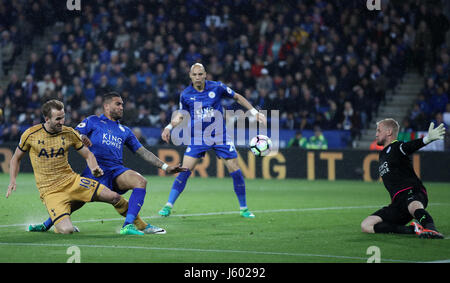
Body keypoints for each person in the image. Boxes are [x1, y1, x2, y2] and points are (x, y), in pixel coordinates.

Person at [30, 92, 187, 235]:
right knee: (74, 202)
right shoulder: (93, 121)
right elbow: (73, 134)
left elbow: (142, 151)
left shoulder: (125, 130)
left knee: (140, 181)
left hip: (117, 171)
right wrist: (80, 137)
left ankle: (128, 225)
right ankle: (46, 224)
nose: (121, 107)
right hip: (95, 171)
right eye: (118, 104)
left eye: (122, 105)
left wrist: (166, 167)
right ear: (106, 106)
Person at [159, 63, 266, 218]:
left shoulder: (217, 87)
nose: (197, 77)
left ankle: (244, 208)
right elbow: (181, 115)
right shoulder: (186, 94)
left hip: (219, 135)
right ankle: (168, 205)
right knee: (184, 171)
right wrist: (169, 127)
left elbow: (237, 97)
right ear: (190, 76)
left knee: (235, 170)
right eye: (194, 74)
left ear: (205, 75)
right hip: (198, 137)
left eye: (200, 74)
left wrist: (254, 112)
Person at [5, 100, 124, 234]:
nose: (62, 121)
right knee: (67, 230)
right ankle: (57, 222)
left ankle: (136, 224)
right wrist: (12, 180)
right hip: (50, 191)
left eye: (63, 117)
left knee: (115, 197)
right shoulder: (31, 134)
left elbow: (88, 155)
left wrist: (94, 168)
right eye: (58, 119)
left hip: (72, 181)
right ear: (47, 119)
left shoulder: (69, 133)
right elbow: (15, 158)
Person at [361, 118, 445, 239]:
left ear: (389, 132)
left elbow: (409, 147)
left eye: (379, 130)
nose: (376, 134)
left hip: (412, 191)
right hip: (397, 202)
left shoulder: (397, 147)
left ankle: (431, 229)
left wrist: (427, 139)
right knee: (366, 225)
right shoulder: (382, 154)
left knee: (413, 206)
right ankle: (412, 229)